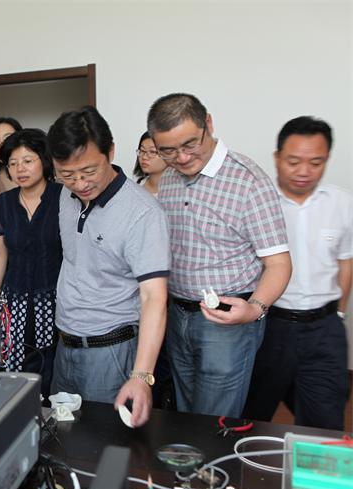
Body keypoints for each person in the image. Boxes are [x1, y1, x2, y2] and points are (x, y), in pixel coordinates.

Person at [148, 93, 291, 418]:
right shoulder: (168, 177)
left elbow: (279, 264)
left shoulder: (248, 181)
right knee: (184, 411)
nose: (182, 157)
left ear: (208, 124)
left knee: (213, 420)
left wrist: (254, 309)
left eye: (190, 144)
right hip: (177, 313)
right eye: (167, 150)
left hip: (227, 320)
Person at [48, 107, 169, 427]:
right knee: (60, 435)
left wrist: (141, 376)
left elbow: (154, 297)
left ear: (111, 151)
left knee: (105, 441)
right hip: (65, 344)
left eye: (88, 171)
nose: (79, 183)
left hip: (111, 351)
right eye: (66, 174)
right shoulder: (65, 195)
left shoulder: (143, 213)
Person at [244, 116, 351, 430]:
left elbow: (346, 261)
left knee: (325, 422)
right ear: (277, 157)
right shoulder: (257, 204)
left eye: (316, 162)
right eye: (293, 161)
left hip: (324, 329)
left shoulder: (342, 203)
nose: (304, 171)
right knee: (250, 416)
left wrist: (339, 313)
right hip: (269, 326)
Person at [0, 128, 62, 398]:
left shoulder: (64, 198)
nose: (20, 169)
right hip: (14, 301)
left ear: (44, 160)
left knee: (52, 370)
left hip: (55, 300)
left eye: (28, 161)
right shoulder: (4, 203)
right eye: (13, 163)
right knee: (14, 371)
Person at [133, 131, 167, 197]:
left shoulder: (180, 191)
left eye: (153, 152)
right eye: (142, 151)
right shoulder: (135, 187)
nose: (144, 157)